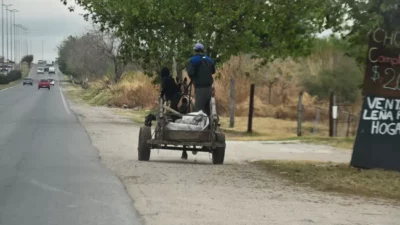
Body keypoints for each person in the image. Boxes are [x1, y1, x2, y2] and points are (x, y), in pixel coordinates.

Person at [186, 43, 216, 116]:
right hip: (210, 87)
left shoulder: (194, 60)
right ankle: (209, 125)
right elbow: (213, 71)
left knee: (198, 110)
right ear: (203, 50)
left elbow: (190, 72)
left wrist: (194, 79)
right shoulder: (209, 59)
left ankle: (200, 126)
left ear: (195, 50)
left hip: (200, 88)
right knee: (208, 109)